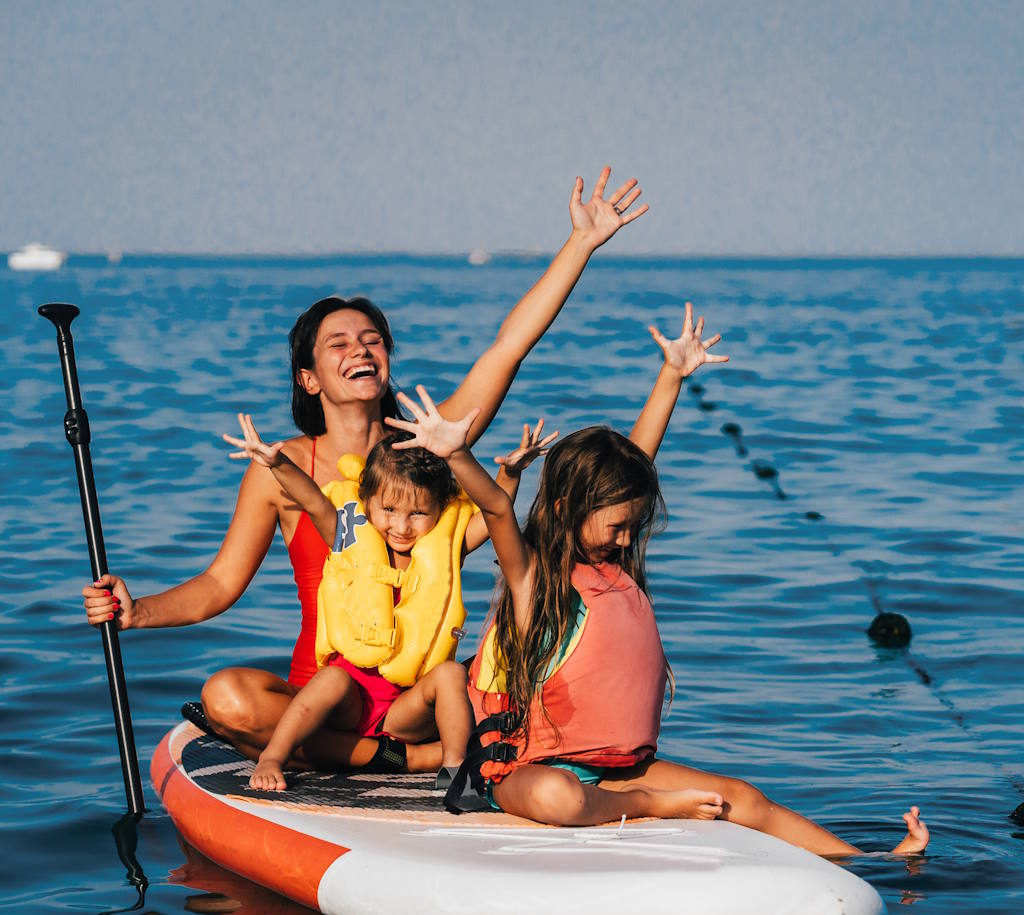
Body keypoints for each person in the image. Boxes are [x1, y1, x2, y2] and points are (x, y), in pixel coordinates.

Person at [80, 167, 648, 772]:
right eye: (339, 343)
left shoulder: (430, 443)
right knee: (227, 697)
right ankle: (401, 760)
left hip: (420, 697)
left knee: (246, 719)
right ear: (309, 377)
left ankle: (359, 754)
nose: (361, 350)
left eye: (373, 339)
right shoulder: (282, 468)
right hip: (327, 696)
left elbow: (509, 345)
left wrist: (580, 244)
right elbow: (219, 586)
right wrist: (137, 612)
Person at [388, 301, 929, 857]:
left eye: (634, 525)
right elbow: (500, 512)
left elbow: (636, 461)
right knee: (561, 798)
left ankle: (867, 863)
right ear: (570, 505)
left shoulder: (612, 564)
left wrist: (671, 375)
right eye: (619, 526)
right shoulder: (534, 579)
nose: (627, 540)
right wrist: (456, 456)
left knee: (742, 797)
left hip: (620, 768)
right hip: (527, 771)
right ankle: (649, 805)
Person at [221, 413, 556, 790]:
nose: (401, 526)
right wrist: (277, 463)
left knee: (449, 675)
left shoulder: (445, 548)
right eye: (390, 510)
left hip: (405, 708)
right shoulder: (347, 536)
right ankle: (273, 757)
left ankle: (454, 767)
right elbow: (313, 501)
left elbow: (495, 515)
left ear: (439, 510)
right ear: (367, 502)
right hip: (350, 700)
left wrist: (510, 474)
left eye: (418, 513)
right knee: (329, 679)